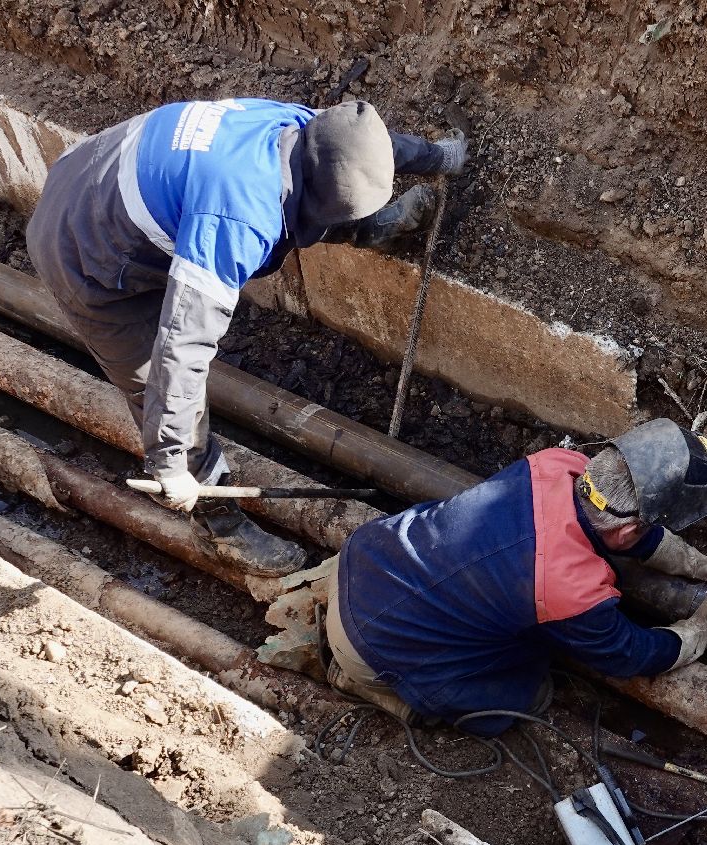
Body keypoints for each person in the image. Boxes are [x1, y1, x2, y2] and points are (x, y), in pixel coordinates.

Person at [26, 96, 465, 576]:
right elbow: (183, 347)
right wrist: (169, 461)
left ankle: (373, 227)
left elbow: (365, 144)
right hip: (85, 255)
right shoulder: (237, 219)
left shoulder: (302, 128)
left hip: (98, 169)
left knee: (299, 211)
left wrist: (438, 157)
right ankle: (220, 524)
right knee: (159, 385)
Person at [301, 419, 707, 735]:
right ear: (627, 531)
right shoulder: (570, 589)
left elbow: (616, 525)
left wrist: (678, 556)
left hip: (366, 558)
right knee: (528, 695)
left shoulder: (557, 465)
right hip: (375, 648)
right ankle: (381, 694)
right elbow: (627, 655)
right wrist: (688, 638)